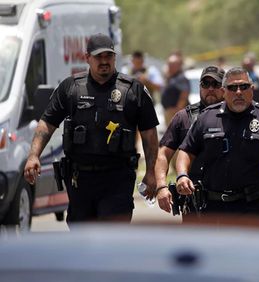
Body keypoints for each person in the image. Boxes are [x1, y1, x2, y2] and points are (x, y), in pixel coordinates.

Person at [23, 33, 159, 224]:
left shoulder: (133, 90)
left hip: (117, 178)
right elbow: (47, 122)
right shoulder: (70, 88)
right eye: (98, 57)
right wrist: (33, 155)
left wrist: (151, 172)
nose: (104, 61)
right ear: (87, 58)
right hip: (80, 180)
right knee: (81, 238)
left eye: (108, 56)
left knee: (111, 237)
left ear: (114, 57)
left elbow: (149, 133)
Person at [175, 67, 259, 227]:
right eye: (232, 88)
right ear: (224, 91)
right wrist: (182, 175)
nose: (238, 92)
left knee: (249, 253)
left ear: (252, 90)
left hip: (252, 208)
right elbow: (186, 151)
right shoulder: (206, 118)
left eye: (244, 86)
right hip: (212, 208)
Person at [155, 65, 226, 217]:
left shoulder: (234, 116)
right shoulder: (184, 118)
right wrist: (161, 186)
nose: (210, 89)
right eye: (205, 84)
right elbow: (163, 153)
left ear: (224, 88)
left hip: (230, 202)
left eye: (216, 84)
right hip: (195, 201)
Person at [161, 53, 190, 128]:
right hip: (170, 113)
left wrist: (177, 110)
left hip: (175, 113)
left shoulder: (181, 78)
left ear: (179, 66)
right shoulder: (171, 77)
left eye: (172, 65)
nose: (170, 67)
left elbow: (184, 94)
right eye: (169, 64)